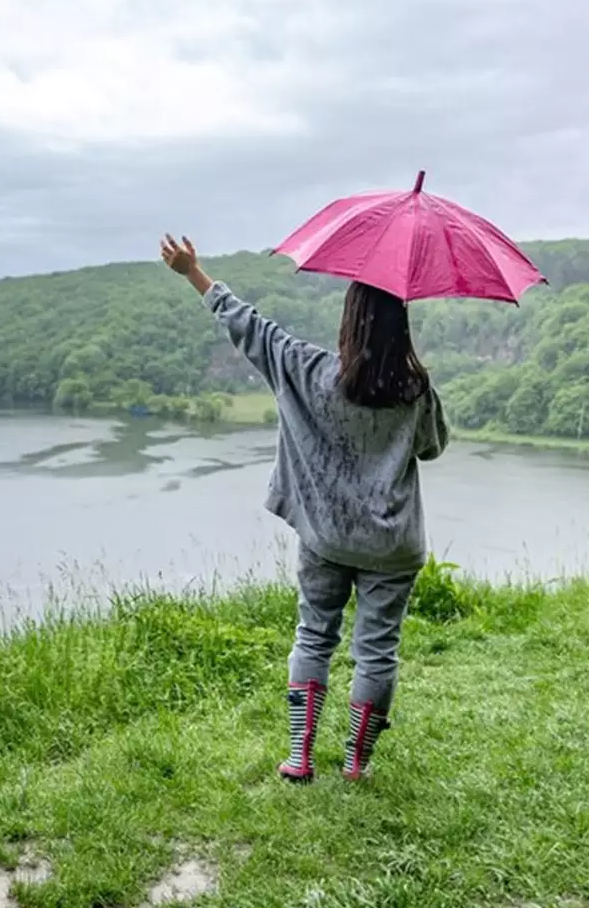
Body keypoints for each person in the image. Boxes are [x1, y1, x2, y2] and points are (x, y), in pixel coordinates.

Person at [160, 234, 449, 782]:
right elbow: (432, 447)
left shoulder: (305, 368)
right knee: (377, 650)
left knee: (314, 634)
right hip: (392, 545)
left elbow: (249, 326)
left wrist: (194, 273)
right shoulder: (415, 389)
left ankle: (299, 757)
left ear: (349, 319)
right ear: (401, 327)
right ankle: (356, 764)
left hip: (324, 535)